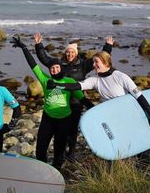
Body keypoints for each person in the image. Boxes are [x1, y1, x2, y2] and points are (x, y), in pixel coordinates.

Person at [11, 36, 93, 170]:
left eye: (56, 67)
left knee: (59, 151)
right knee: (40, 149)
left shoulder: (69, 82)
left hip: (64, 120)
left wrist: (95, 109)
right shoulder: (45, 80)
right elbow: (33, 65)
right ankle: (42, 170)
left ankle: (56, 172)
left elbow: (83, 99)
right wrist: (24, 48)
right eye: (52, 68)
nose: (54, 70)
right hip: (48, 119)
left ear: (61, 68)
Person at [34, 32, 114, 160]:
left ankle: (71, 152)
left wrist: (108, 47)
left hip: (76, 102)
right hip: (62, 103)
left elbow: (100, 59)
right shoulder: (60, 64)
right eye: (67, 52)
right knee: (61, 132)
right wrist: (38, 45)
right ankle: (61, 152)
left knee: (72, 130)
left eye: (72, 52)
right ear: (65, 53)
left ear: (76, 53)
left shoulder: (83, 65)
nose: (69, 54)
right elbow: (45, 59)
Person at [47, 51, 150, 127]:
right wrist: (56, 85)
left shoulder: (120, 76)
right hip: (110, 117)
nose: (93, 65)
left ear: (105, 62)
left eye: (96, 62)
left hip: (128, 114)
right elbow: (76, 86)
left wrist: (149, 113)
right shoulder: (95, 80)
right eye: (93, 62)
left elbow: (139, 96)